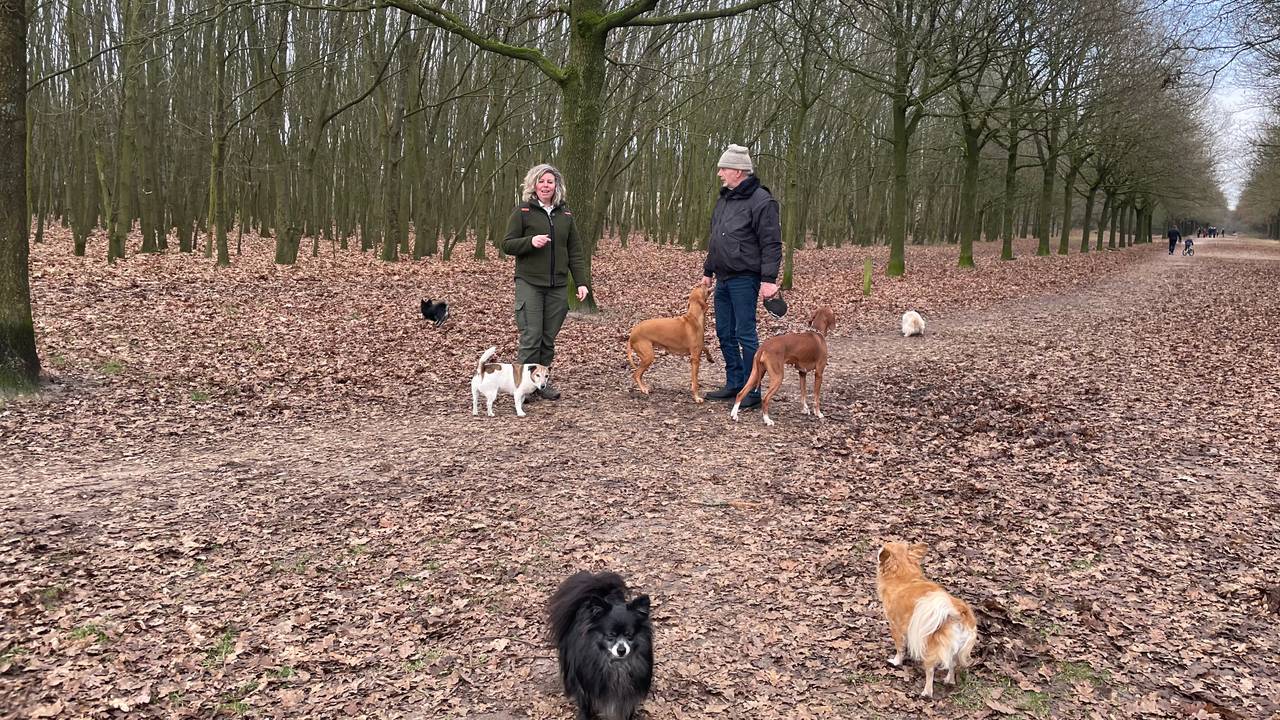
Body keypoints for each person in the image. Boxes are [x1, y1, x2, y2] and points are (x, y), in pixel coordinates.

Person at [699, 144, 783, 410]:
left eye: (723, 169)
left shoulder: (762, 201)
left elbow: (771, 243)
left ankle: (753, 389)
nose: (719, 174)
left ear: (738, 171)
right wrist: (708, 271)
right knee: (724, 333)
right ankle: (735, 383)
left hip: (745, 278)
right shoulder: (724, 199)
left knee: (744, 333)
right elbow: (716, 238)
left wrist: (768, 280)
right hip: (723, 277)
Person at [502, 163, 589, 401]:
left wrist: (581, 282)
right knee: (532, 336)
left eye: (550, 181)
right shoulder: (523, 211)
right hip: (529, 283)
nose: (545, 185)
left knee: (548, 339)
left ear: (556, 186)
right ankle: (522, 386)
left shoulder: (565, 215)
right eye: (541, 181)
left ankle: (541, 384)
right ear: (534, 184)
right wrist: (530, 242)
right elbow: (507, 244)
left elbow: (575, 252)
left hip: (558, 286)